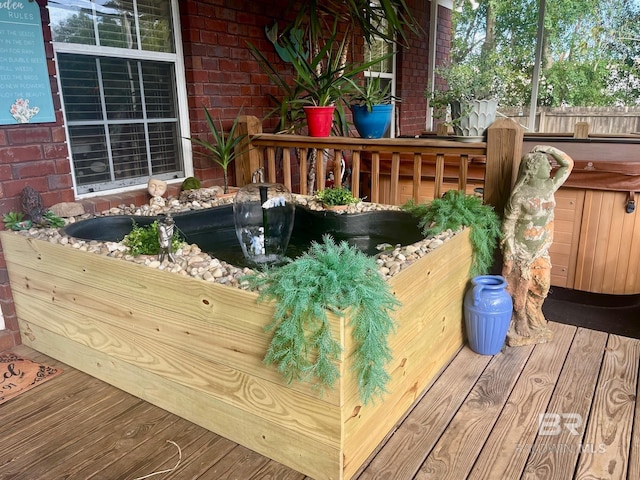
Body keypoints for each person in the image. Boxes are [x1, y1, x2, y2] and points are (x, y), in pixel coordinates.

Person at [501, 145, 574, 346]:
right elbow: (507, 224)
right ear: (532, 169)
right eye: (545, 164)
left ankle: (534, 314)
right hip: (522, 250)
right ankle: (520, 318)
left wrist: (548, 149)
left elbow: (567, 164)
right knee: (519, 288)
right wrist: (509, 250)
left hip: (541, 247)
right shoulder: (520, 195)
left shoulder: (550, 186)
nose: (550, 167)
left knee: (543, 285)